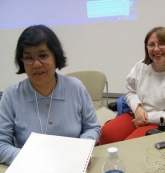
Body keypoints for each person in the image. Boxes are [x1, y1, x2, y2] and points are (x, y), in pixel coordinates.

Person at [0, 25, 101, 165]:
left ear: (56, 56)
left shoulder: (75, 87)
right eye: (28, 58)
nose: (36, 64)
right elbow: (1, 144)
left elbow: (92, 127)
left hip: (73, 164)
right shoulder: (11, 95)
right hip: (29, 168)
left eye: (43, 56)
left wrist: (81, 151)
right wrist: (31, 158)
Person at [99, 26, 165, 145]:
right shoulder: (141, 66)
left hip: (162, 124)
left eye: (161, 44)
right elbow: (131, 92)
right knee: (105, 134)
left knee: (131, 145)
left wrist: (146, 118)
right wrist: (138, 108)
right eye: (151, 45)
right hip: (136, 115)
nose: (156, 49)